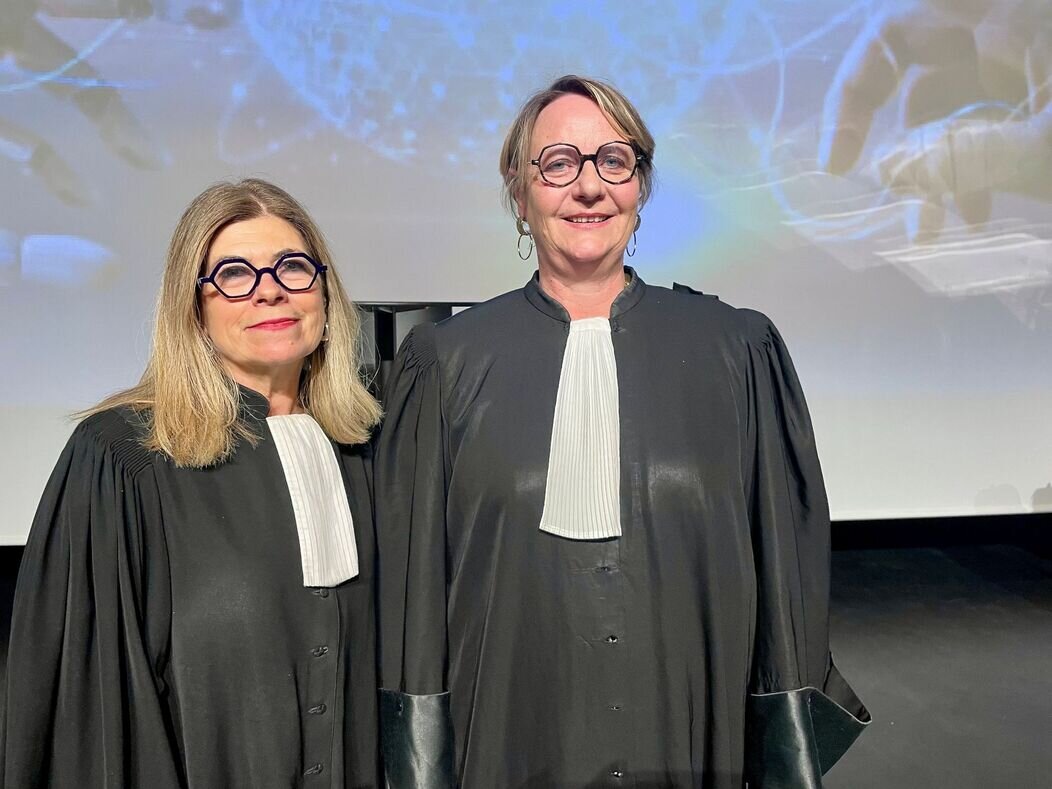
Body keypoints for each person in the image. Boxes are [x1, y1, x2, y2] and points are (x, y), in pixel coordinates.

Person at [376, 75, 869, 788]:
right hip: (512, 742)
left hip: (692, 738)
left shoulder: (739, 350)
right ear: (521, 193)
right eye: (558, 163)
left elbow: (785, 589)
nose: (588, 187)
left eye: (614, 160)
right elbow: (416, 606)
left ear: (640, 187)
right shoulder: (444, 365)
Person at [1, 178, 383, 787]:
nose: (271, 292)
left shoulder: (364, 453)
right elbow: (95, 713)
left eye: (293, 268)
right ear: (194, 309)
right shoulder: (121, 458)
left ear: (326, 295)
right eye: (234, 274)